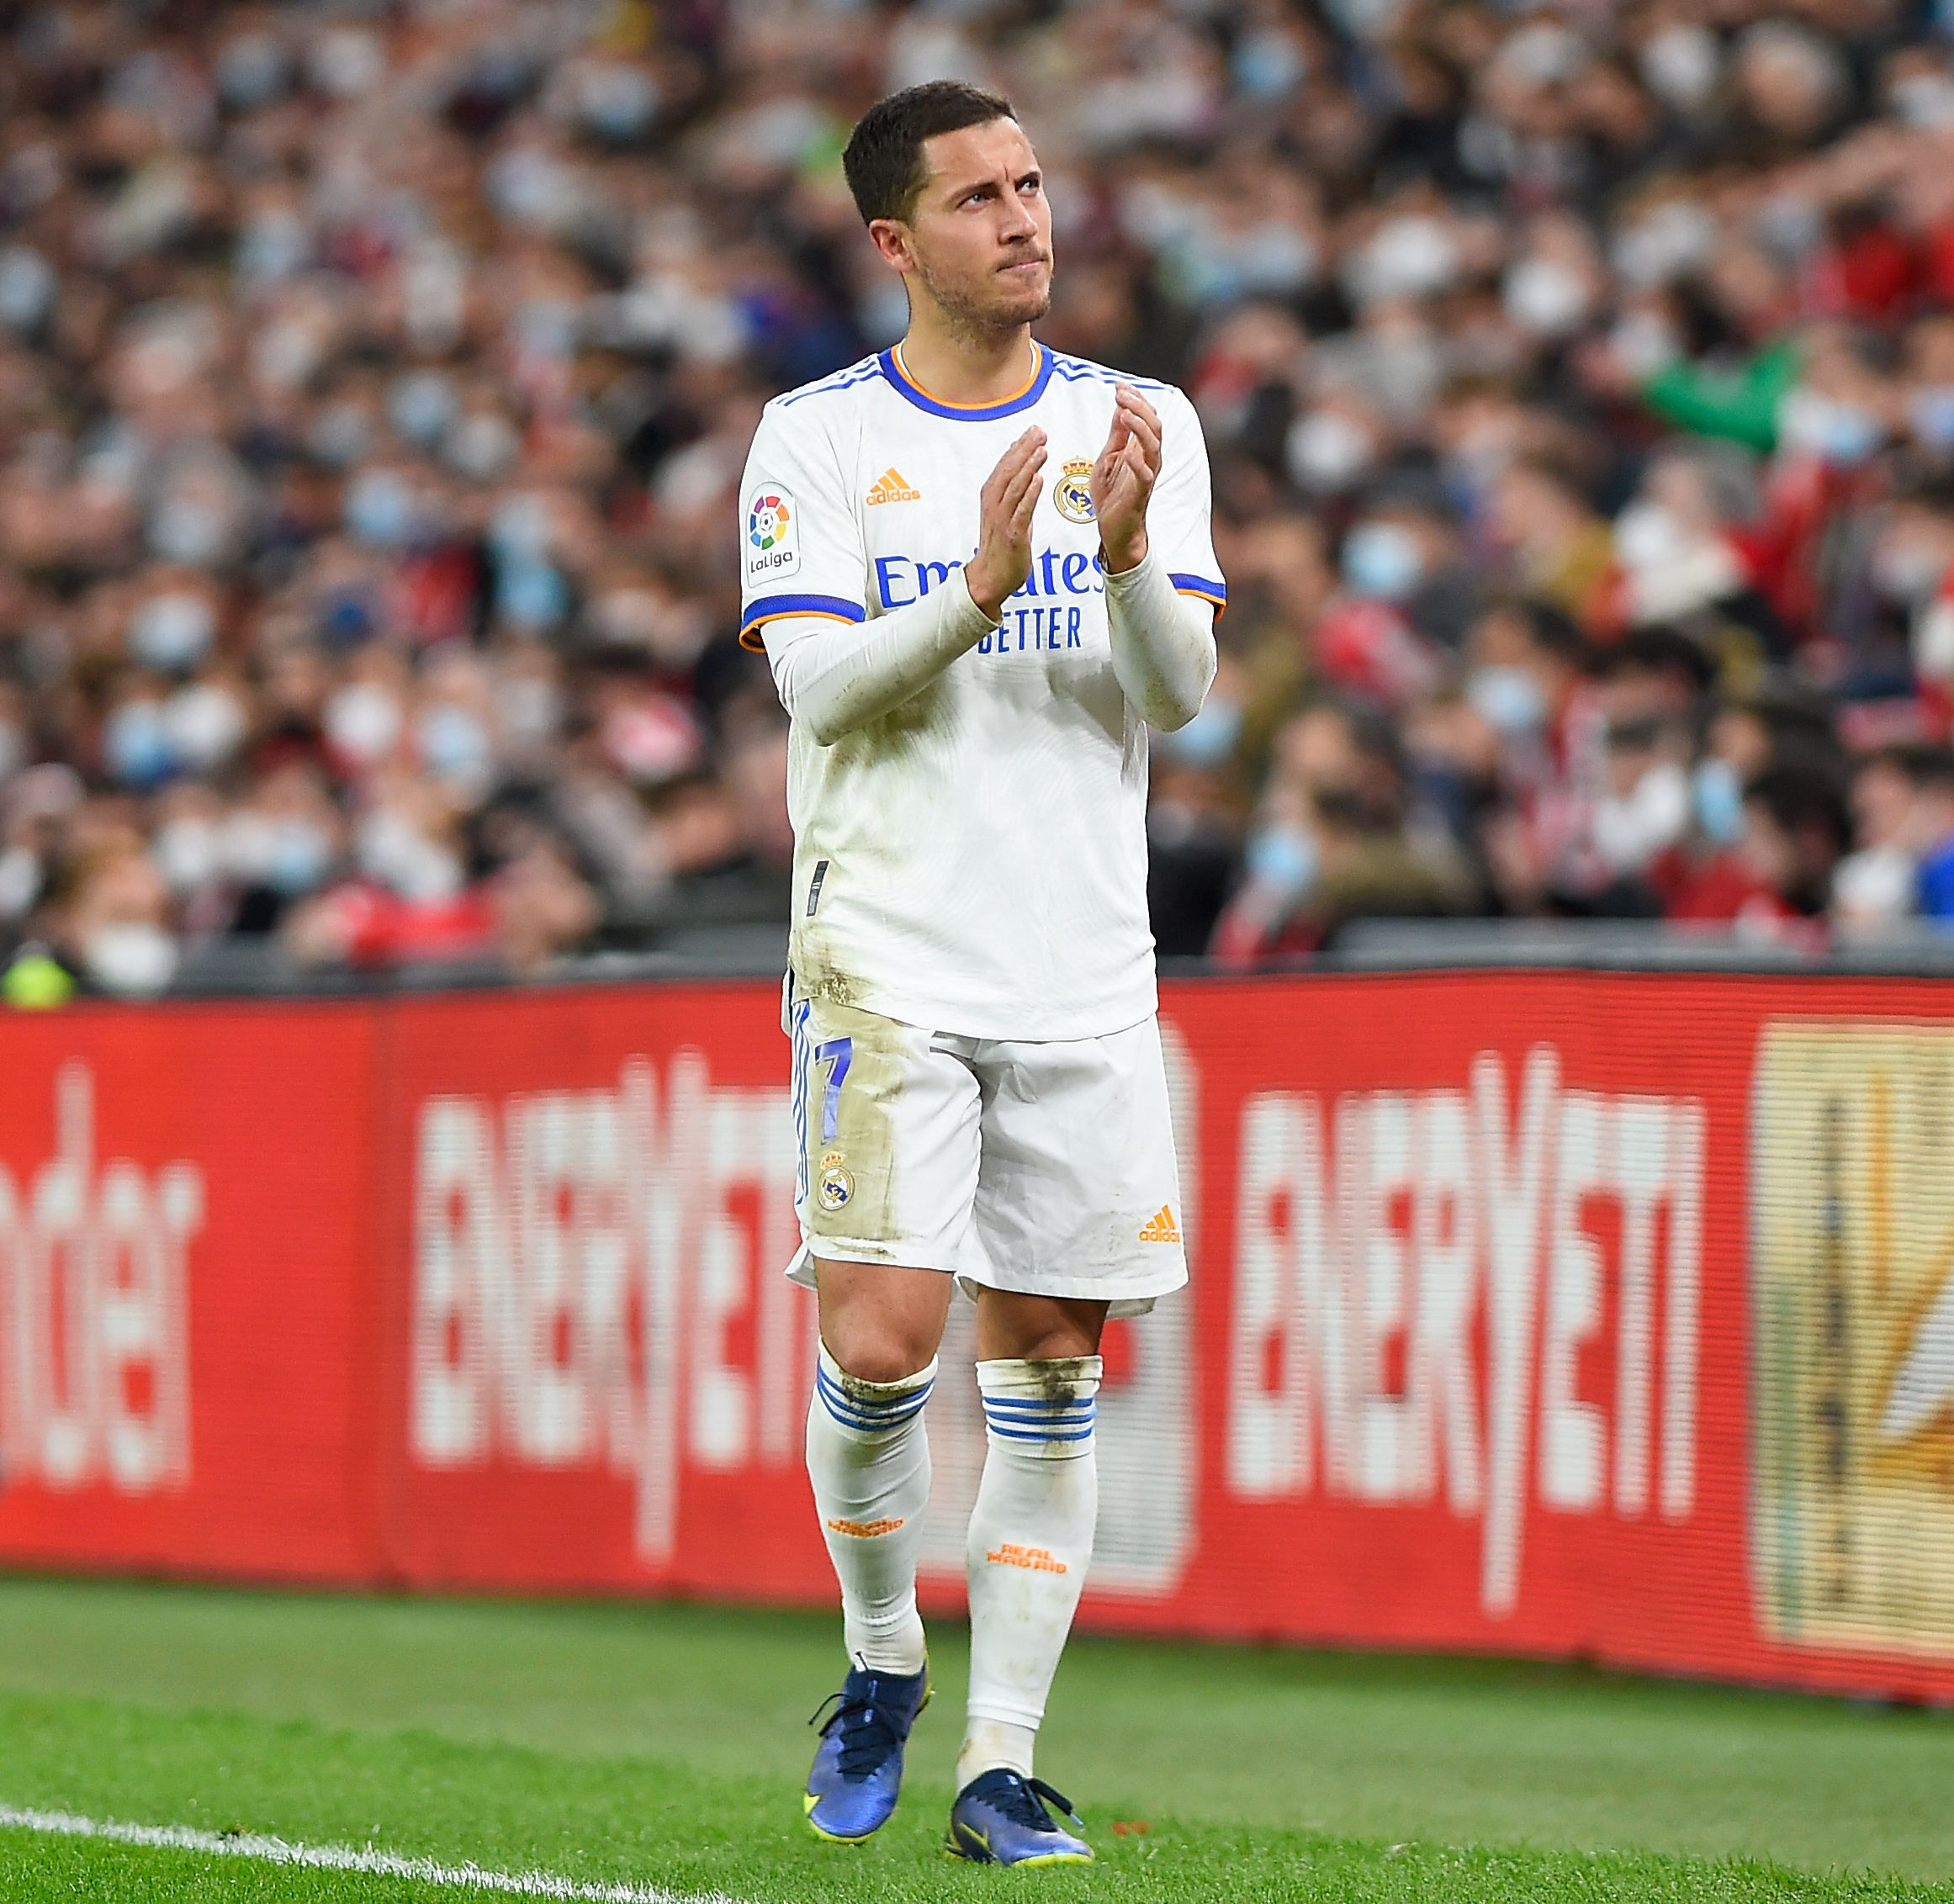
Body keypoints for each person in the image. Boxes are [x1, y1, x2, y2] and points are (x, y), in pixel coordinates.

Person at [737, 81, 1222, 1867]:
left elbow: (1174, 692)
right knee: (878, 1341)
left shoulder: (1137, 419)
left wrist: (1109, 560)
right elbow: (816, 693)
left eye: (1031, 186)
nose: (1023, 220)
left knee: (1048, 1363)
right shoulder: (813, 439)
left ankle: (998, 1763)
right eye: (977, 199)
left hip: (1083, 961)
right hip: (886, 953)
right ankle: (880, 1657)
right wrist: (977, 586)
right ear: (893, 243)